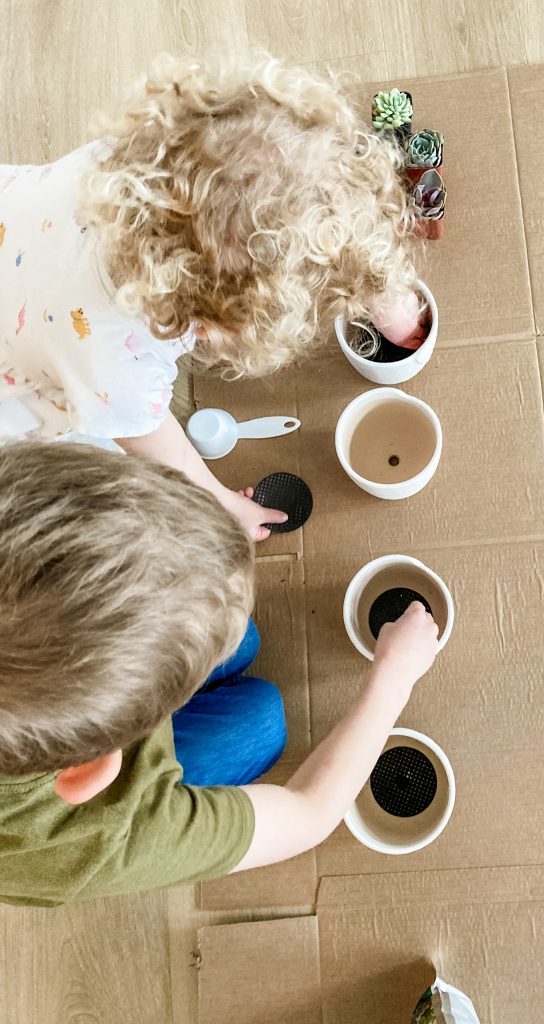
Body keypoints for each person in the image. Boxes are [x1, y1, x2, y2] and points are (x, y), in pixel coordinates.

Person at [0, 52, 424, 541]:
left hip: (24, 230)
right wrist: (224, 506)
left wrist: (376, 285)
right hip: (30, 360)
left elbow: (293, 195)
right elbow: (170, 454)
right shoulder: (120, 371)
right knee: (105, 466)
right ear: (220, 324)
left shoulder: (138, 163)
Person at [0, 441, 439, 905]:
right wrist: (394, 678)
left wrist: (211, 506)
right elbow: (306, 814)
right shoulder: (82, 844)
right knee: (262, 722)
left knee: (242, 639)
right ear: (95, 771)